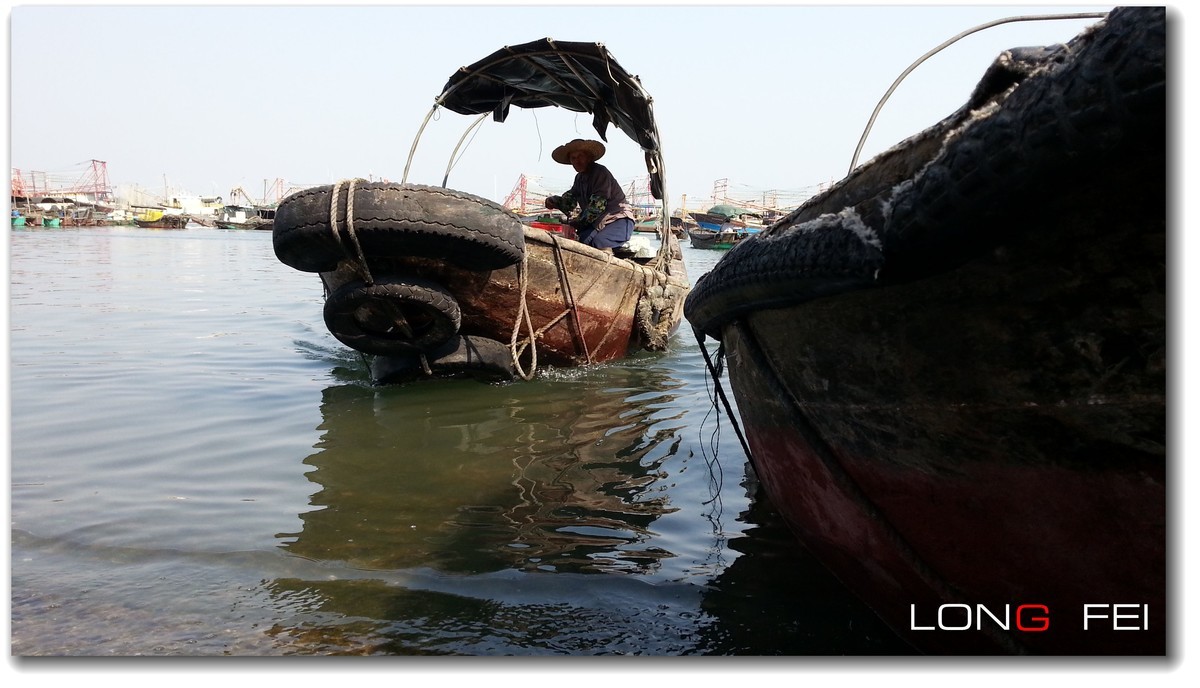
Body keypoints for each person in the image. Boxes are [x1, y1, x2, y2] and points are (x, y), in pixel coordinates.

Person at [543, 138, 635, 250]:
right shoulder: (579, 178)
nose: (577, 161)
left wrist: (576, 222)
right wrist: (554, 201)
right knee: (582, 241)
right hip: (599, 222)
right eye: (573, 158)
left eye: (581, 156)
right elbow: (569, 202)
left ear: (589, 157)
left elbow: (596, 207)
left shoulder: (600, 173)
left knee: (599, 243)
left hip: (619, 220)